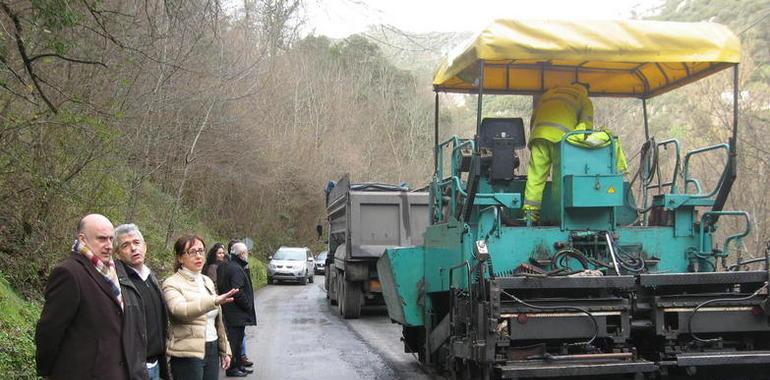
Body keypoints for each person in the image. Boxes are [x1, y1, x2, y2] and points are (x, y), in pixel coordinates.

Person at [35, 214, 130, 380]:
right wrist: (49, 372)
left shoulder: (113, 273)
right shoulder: (69, 273)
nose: (109, 246)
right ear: (82, 239)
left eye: (110, 239)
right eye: (101, 239)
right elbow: (49, 330)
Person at [162, 234, 238, 380]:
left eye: (201, 251)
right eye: (192, 252)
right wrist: (213, 301)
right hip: (187, 353)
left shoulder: (207, 281)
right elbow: (179, 310)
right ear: (179, 257)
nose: (198, 256)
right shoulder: (172, 283)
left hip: (212, 347)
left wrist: (224, 349)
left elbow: (218, 322)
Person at [523, 82, 594, 223]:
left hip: (539, 135)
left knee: (535, 176)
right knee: (560, 180)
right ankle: (560, 218)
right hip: (562, 139)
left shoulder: (550, 93)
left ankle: (530, 215)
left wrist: (535, 136)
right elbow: (586, 126)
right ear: (585, 90)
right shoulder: (583, 99)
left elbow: (534, 117)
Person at [114, 224, 170, 380]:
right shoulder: (116, 282)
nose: (133, 248)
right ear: (117, 253)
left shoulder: (150, 277)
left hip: (158, 363)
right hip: (135, 369)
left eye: (136, 243)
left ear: (145, 247)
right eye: (125, 245)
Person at [217, 242, 257, 377]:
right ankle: (232, 368)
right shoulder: (236, 268)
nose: (247, 256)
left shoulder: (230, 266)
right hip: (236, 312)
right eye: (246, 253)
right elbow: (237, 290)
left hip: (233, 311)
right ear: (241, 254)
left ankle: (239, 365)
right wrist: (247, 305)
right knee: (235, 341)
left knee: (238, 341)